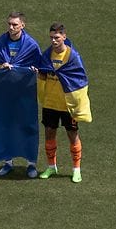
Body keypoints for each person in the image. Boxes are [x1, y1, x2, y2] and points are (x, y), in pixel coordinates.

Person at [36, 23, 91, 183]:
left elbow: (79, 79)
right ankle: (51, 167)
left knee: (72, 134)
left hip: (68, 104)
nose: (54, 41)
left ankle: (76, 170)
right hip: (50, 103)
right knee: (49, 133)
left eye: (57, 37)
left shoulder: (73, 57)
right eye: (52, 37)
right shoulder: (46, 56)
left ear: (64, 37)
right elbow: (43, 76)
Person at [0, 12, 43, 178]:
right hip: (4, 92)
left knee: (27, 126)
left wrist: (34, 70)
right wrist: (1, 65)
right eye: (9, 24)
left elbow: (40, 67)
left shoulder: (31, 45)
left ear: (23, 25)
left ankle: (31, 164)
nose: (11, 27)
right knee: (5, 126)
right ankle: (8, 162)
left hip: (25, 93)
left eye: (15, 24)